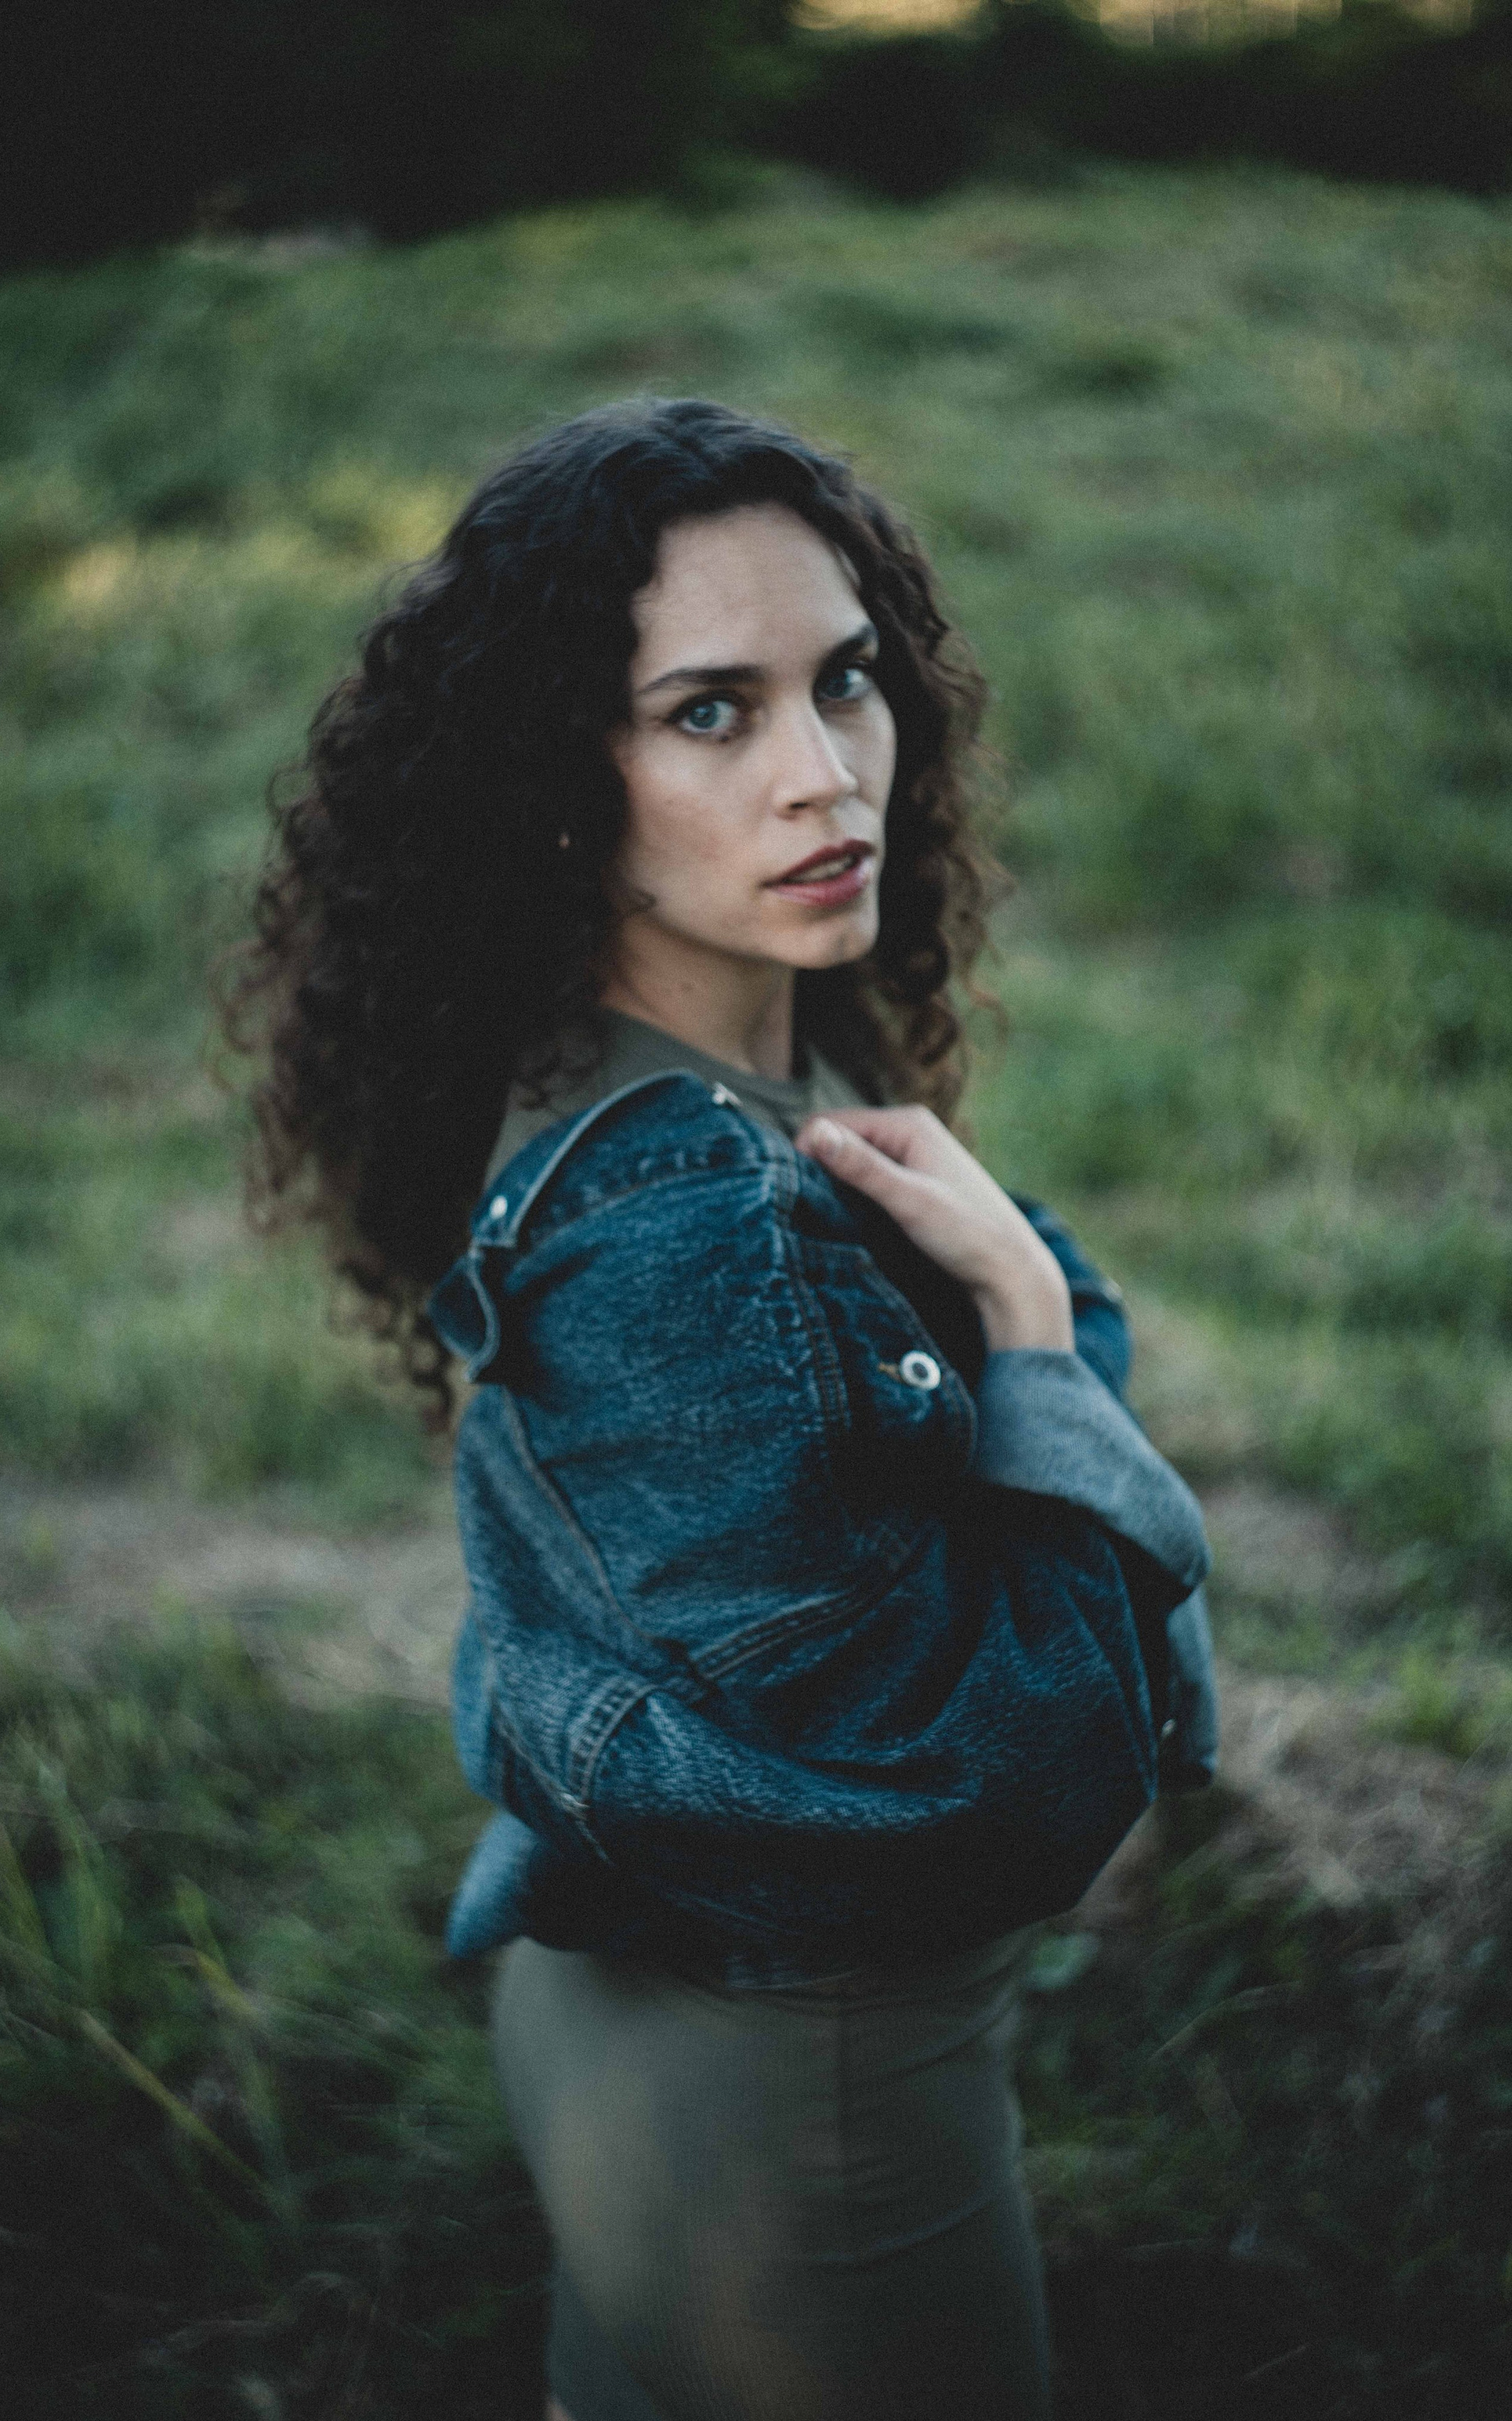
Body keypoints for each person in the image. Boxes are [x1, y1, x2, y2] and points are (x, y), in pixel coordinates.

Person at [226, 397, 1218, 2421]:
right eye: (710, 712)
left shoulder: (753, 1046)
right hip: (799, 2106)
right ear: (552, 781)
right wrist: (1027, 1335)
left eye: (845, 681)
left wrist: (1038, 1349)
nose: (824, 773)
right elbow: (1001, 1783)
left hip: (655, 2021)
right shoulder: (675, 1215)